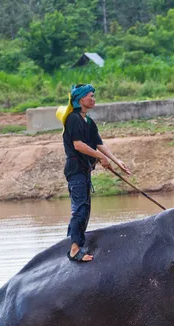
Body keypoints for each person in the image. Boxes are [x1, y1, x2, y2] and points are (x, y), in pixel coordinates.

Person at [61, 84, 131, 262]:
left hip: (85, 170)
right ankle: (75, 250)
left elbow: (99, 144)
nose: (93, 99)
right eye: (90, 96)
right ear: (80, 99)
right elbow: (78, 145)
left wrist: (117, 161)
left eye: (94, 96)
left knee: (86, 209)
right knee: (80, 208)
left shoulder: (88, 122)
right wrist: (100, 158)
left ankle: (76, 241)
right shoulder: (73, 119)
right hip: (75, 169)